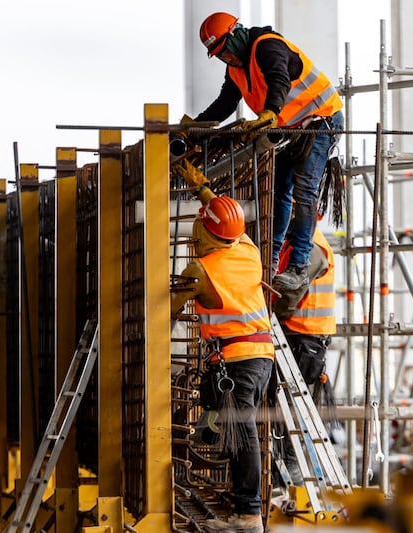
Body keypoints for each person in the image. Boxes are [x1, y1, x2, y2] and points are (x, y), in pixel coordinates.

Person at [193, 12, 345, 296]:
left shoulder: (267, 46)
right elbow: (225, 103)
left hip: (320, 120)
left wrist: (270, 113)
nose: (226, 57)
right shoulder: (235, 68)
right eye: (219, 55)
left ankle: (298, 266)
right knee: (279, 190)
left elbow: (278, 79)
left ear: (236, 34)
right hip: (290, 127)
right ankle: (271, 262)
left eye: (225, 49)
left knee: (305, 190)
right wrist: (195, 127)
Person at [171, 161, 274, 533]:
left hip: (239, 363)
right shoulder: (245, 247)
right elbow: (222, 216)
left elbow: (162, 312)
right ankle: (240, 509)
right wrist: (201, 187)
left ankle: (249, 514)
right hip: (257, 360)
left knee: (242, 433)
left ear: (206, 230)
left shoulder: (201, 270)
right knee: (224, 430)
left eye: (200, 221)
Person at [272, 224, 338, 487]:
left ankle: (293, 469)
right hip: (299, 335)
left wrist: (270, 316)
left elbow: (291, 293)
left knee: (294, 406)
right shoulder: (299, 242)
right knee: (287, 404)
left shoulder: (311, 247)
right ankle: (288, 468)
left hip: (304, 338)